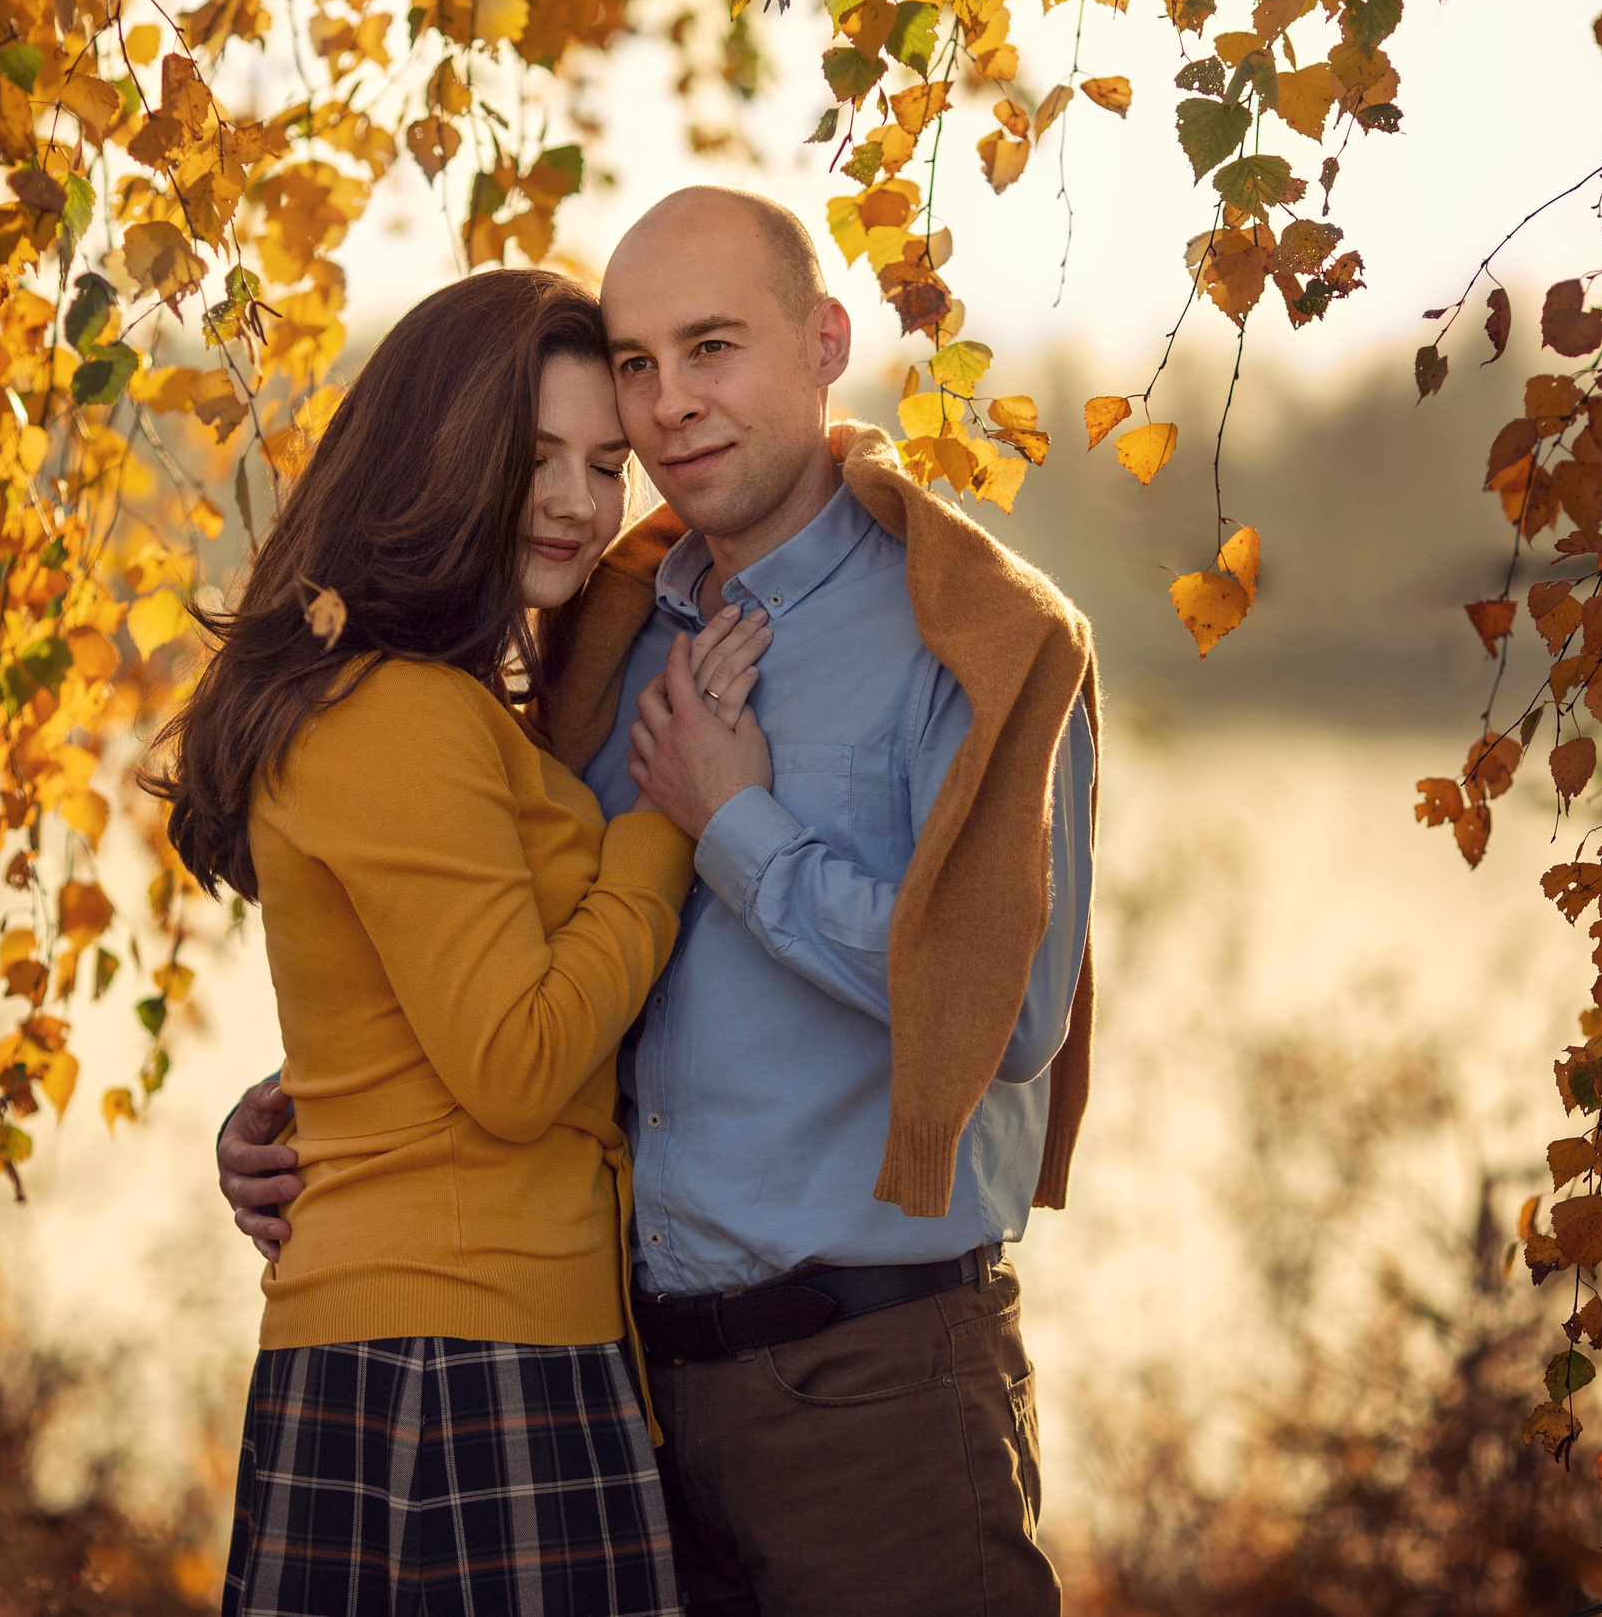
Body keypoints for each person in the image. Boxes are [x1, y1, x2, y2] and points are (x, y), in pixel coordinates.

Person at [219, 189, 1101, 1615]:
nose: (671, 405)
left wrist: (733, 827)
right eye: (639, 364)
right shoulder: (610, 627)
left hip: (872, 1380)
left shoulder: (973, 635)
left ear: (825, 340)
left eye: (714, 348)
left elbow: (1000, 1020)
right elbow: (536, 960)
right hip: (629, 1386)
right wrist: (311, 1098)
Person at [151, 267, 778, 1617]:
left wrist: (281, 1107)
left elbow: (399, 1016)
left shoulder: (430, 708)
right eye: (532, 457)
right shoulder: (403, 716)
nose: (578, 500)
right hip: (462, 1356)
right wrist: (676, 825)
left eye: (604, 464)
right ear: (441, 460)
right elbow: (509, 1062)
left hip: (452, 1340)